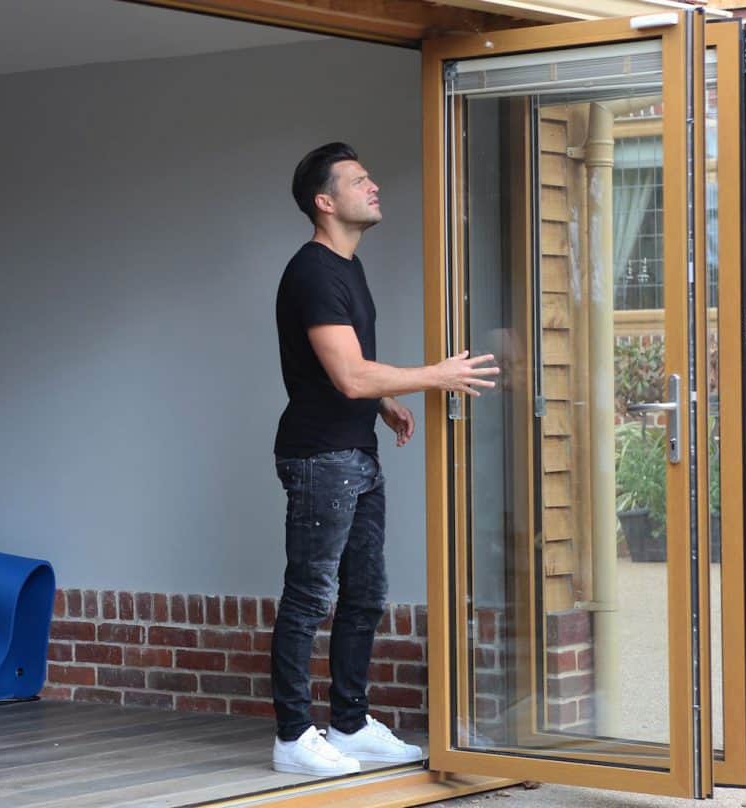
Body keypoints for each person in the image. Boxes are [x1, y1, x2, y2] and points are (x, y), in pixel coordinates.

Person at [270, 142, 500, 776]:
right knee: (310, 597)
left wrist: (387, 401)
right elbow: (345, 375)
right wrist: (433, 376)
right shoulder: (313, 271)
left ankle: (347, 724)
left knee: (365, 594)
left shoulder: (348, 267)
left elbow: (346, 372)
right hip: (321, 458)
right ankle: (293, 736)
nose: (373, 186)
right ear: (325, 201)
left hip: (355, 452)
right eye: (359, 180)